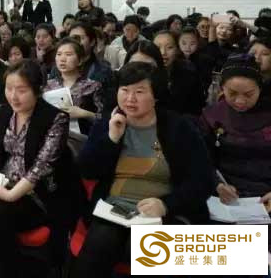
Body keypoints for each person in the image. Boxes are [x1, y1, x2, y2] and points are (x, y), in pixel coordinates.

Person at [71, 62, 214, 278]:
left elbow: (203, 181)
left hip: (163, 213)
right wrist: (111, 139)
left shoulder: (179, 127)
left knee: (143, 248)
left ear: (155, 96)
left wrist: (166, 205)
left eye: (139, 92)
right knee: (100, 243)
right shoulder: (108, 123)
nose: (130, 99)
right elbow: (87, 170)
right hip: (114, 210)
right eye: (124, 90)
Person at [0, 59, 81, 278]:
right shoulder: (3, 111)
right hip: (3, 182)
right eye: (9, 89)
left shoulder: (55, 118)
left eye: (21, 90)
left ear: (37, 90)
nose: (13, 96)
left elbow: (41, 166)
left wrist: (11, 195)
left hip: (36, 193)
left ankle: (1, 272)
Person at [196, 55, 271, 208]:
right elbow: (200, 157)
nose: (240, 101)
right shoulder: (212, 115)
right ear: (222, 88)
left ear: (260, 89)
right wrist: (216, 184)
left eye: (249, 94)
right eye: (232, 93)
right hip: (226, 193)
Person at [45, 38, 103, 135]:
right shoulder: (48, 86)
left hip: (81, 138)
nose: (62, 59)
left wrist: (84, 113)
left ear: (80, 60)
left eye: (68, 54)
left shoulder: (93, 86)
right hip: (52, 136)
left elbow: (104, 119)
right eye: (59, 54)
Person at [153, 31, 205, 116]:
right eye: (157, 47)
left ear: (177, 49)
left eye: (169, 47)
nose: (163, 52)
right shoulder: (145, 73)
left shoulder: (189, 72)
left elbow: (197, 106)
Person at [67, 21, 114, 110]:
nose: (76, 42)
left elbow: (108, 106)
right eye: (72, 39)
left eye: (80, 38)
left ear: (92, 42)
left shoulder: (103, 69)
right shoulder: (58, 67)